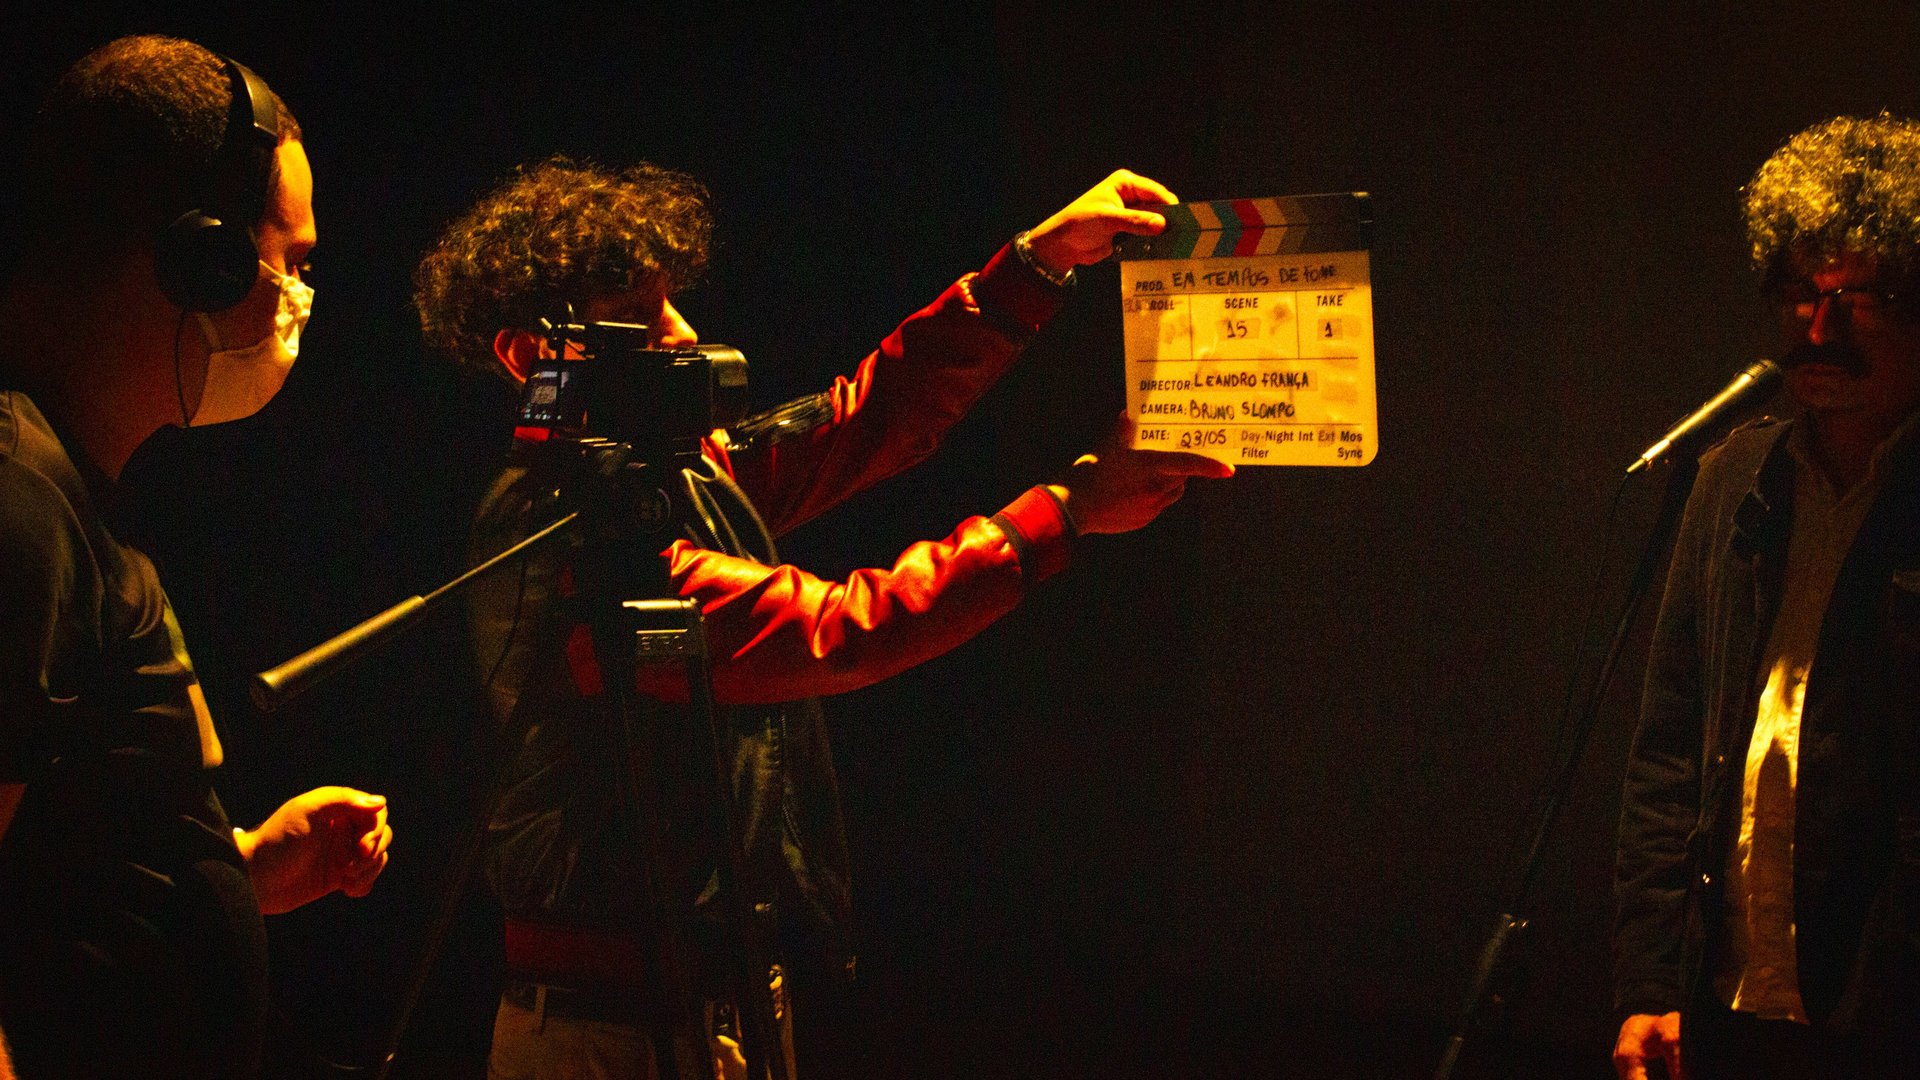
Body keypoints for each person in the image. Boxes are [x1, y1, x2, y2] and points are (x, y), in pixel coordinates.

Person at [412, 157, 1231, 1078]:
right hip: (610, 1034)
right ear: (533, 356)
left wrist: (1035, 266)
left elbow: (864, 417)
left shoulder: (669, 473)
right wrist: (1069, 509)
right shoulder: (553, 526)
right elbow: (838, 631)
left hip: (710, 1006)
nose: (683, 332)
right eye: (642, 316)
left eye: (672, 301)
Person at [0, 36, 393, 1080]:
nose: (302, 298)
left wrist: (239, 864)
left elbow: (65, 870)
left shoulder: (75, 493)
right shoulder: (18, 497)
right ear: (199, 262)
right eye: (291, 263)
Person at [1614, 114, 1920, 1080]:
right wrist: (1650, 983)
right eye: (1798, 290)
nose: (1818, 326)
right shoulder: (1733, 476)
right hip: (1729, 1001)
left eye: (1860, 296)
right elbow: (1668, 751)